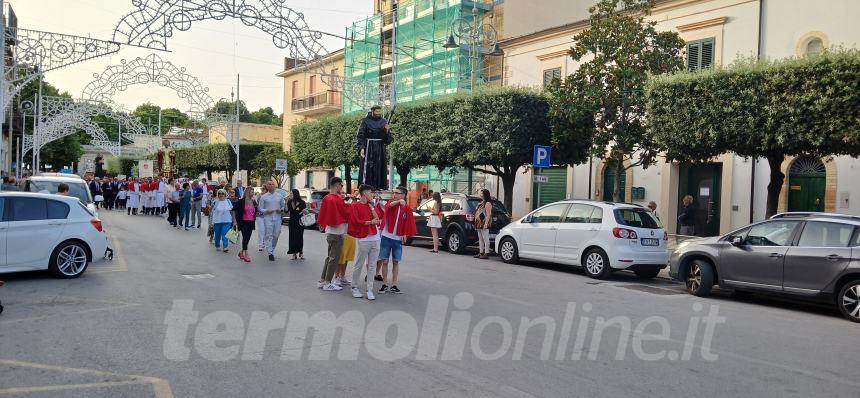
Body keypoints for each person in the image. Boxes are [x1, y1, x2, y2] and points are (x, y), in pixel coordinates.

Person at [378, 186, 416, 294]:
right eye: (394, 193)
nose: (394, 194)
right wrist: (399, 201)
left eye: (397, 193)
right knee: (384, 261)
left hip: (397, 238)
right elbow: (387, 207)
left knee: (395, 261)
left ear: (403, 195)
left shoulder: (406, 207)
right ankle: (384, 284)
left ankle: (394, 285)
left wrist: (405, 233)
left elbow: (407, 221)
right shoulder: (391, 202)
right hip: (386, 236)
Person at [316, 177, 350, 291]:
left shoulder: (328, 198)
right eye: (341, 185)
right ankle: (327, 282)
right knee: (333, 258)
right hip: (336, 232)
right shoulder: (335, 199)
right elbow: (345, 212)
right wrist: (349, 204)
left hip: (331, 231)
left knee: (329, 257)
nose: (342, 187)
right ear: (336, 185)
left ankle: (322, 280)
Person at [349, 184, 382, 300]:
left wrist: (372, 207)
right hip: (364, 238)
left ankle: (369, 289)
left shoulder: (370, 205)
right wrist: (370, 222)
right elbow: (357, 221)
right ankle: (354, 287)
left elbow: (378, 219)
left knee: (372, 265)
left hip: (375, 238)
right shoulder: (355, 206)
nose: (372, 194)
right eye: (370, 192)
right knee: (359, 264)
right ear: (364, 193)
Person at [356, 105, 393, 189]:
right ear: (372, 111)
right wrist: (362, 148)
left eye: (379, 112)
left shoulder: (384, 121)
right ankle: (366, 187)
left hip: (380, 148)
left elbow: (387, 140)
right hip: (369, 146)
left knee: (379, 167)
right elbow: (360, 135)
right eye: (377, 111)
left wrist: (387, 131)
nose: (378, 113)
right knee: (368, 167)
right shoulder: (365, 121)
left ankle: (379, 187)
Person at [259, 180, 286, 261]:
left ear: (275, 186)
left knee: (276, 235)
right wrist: (266, 211)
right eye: (269, 184)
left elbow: (283, 206)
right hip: (268, 218)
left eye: (272, 184)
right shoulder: (263, 197)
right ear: (267, 186)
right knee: (269, 235)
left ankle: (272, 249)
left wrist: (281, 210)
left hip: (277, 218)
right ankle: (270, 253)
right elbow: (260, 208)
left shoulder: (279, 196)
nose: (271, 185)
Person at [232, 187, 257, 263]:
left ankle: (241, 252)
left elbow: (256, 211)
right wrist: (234, 221)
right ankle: (246, 254)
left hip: (251, 222)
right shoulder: (241, 201)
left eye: (253, 192)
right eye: (252, 192)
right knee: (245, 237)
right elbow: (233, 210)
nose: (253, 193)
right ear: (248, 192)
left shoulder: (254, 202)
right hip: (243, 222)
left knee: (247, 238)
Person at [335, 195, 357, 285]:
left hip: (351, 234)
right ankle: (336, 277)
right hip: (343, 234)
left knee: (347, 257)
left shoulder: (353, 207)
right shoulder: (342, 207)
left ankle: (342, 276)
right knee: (340, 258)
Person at [286, 189, 307, 260]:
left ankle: (301, 252)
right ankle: (294, 253)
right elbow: (286, 211)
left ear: (295, 194)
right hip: (292, 222)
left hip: (300, 222)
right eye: (290, 193)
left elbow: (305, 211)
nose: (290, 195)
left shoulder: (302, 202)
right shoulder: (289, 202)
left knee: (299, 237)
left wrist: (304, 211)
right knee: (292, 237)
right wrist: (285, 202)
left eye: (291, 193)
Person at [474, 189, 493, 259]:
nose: (480, 194)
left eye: (482, 193)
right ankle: (481, 252)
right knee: (480, 238)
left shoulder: (487, 203)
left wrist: (486, 224)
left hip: (484, 223)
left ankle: (486, 253)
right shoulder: (482, 202)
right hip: (479, 223)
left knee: (485, 238)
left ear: (485, 194)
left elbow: (488, 214)